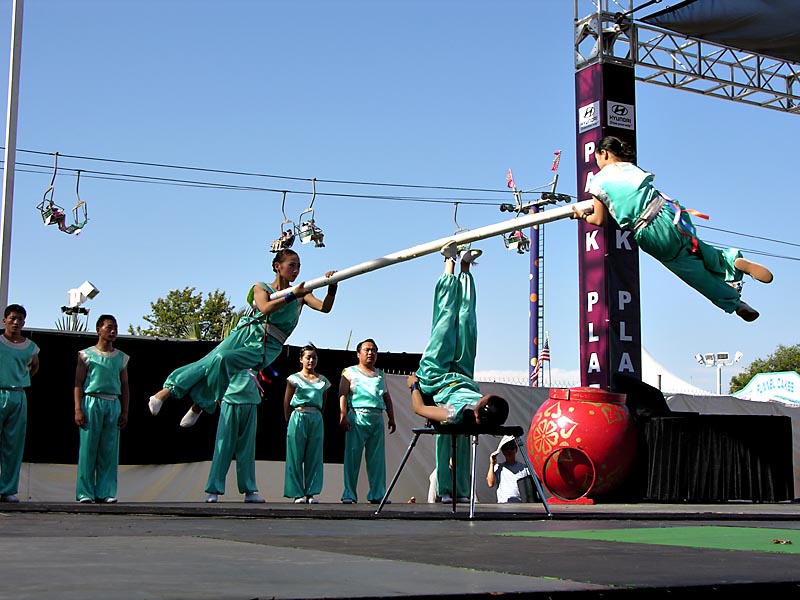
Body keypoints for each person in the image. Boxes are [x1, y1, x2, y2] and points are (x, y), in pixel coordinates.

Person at [574, 135, 773, 322]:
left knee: (692, 272)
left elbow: (600, 219)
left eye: (596, 158)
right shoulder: (630, 167)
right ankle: (731, 261)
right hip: (670, 212)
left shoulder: (597, 180)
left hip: (649, 230)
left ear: (604, 153)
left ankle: (736, 303)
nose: (597, 163)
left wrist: (581, 214)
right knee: (698, 248)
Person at [148, 249, 338, 426]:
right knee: (208, 362)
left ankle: (200, 404)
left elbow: (325, 308)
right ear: (277, 267)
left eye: (298, 266)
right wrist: (290, 295)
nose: (296, 270)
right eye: (291, 265)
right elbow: (265, 308)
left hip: (267, 344)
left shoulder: (301, 294)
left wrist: (332, 287)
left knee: (222, 360)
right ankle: (165, 393)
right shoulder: (261, 287)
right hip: (246, 330)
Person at [406, 242, 509, 428]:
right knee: (467, 320)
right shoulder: (487, 409)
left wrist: (414, 385)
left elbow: (419, 408)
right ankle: (465, 267)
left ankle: (449, 260)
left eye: (484, 402)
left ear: (479, 415)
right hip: (463, 375)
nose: (484, 399)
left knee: (445, 322)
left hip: (435, 379)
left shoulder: (455, 414)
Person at [73, 314, 130, 504]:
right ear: (99, 330)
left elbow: (125, 386)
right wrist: (78, 409)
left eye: (115, 327)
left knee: (109, 450)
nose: (113, 331)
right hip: (92, 402)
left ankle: (106, 491)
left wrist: (125, 411)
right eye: (109, 327)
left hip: (112, 403)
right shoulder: (86, 355)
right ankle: (85, 492)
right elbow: (78, 383)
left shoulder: (121, 358)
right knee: (88, 449)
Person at [338, 339, 396, 504]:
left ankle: (377, 494)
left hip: (377, 418)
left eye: (374, 350)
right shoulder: (349, 372)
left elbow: (386, 397)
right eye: (367, 350)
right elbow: (342, 393)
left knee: (377, 460)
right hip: (357, 416)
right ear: (358, 354)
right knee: (352, 458)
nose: (371, 353)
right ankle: (349, 493)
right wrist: (342, 414)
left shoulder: (380, 374)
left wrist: (391, 417)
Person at [204, 369, 266, 504]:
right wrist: (220, 397)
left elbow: (258, 376)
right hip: (230, 400)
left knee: (247, 449)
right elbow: (217, 376)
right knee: (223, 447)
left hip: (250, 403)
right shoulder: (229, 353)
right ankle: (213, 490)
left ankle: (249, 490)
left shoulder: (256, 355)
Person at [0, 305, 40, 503]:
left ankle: (7, 489)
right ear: (5, 320)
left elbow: (34, 367)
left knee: (13, 444)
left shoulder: (30, 347)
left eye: (20, 319)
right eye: (13, 318)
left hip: (18, 395)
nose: (16, 322)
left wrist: (20, 379)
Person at [283, 344, 330, 504]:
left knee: (314, 456)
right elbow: (287, 401)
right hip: (298, 415)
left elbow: (323, 403)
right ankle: (297, 493)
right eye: (308, 357)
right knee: (295, 455)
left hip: (315, 417)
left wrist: (317, 416)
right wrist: (289, 418)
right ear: (301, 359)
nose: (311, 360)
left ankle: (311, 492)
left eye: (314, 357)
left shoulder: (323, 380)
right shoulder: (294, 378)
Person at [486, 435, 535, 503]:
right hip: (503, 506)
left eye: (511, 448)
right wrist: (492, 464)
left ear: (516, 450)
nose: (509, 451)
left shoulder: (525, 468)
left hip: (521, 506)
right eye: (506, 448)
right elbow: (490, 484)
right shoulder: (498, 467)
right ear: (502, 451)